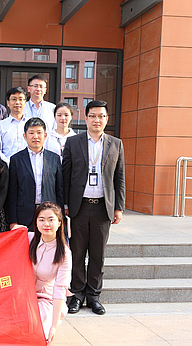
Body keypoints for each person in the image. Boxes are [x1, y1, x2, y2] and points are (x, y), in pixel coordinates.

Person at [62, 100, 125, 316]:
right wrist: (65, 204)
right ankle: (77, 295)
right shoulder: (73, 142)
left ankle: (94, 297)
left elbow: (119, 178)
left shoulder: (116, 144)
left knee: (98, 255)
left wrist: (119, 207)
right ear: (86, 118)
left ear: (106, 119)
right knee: (78, 253)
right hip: (79, 207)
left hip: (102, 208)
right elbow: (66, 175)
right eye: (92, 116)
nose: (97, 120)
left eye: (101, 116)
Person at [22, 202, 72, 346]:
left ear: (59, 223)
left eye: (51, 219)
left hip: (46, 299)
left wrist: (54, 326)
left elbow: (60, 290)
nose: (46, 224)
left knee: (34, 326)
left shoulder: (64, 254)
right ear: (36, 222)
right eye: (41, 219)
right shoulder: (28, 238)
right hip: (23, 294)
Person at [7, 117, 63, 231]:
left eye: (39, 133)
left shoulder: (54, 158)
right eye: (31, 133)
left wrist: (60, 216)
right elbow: (12, 192)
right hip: (24, 215)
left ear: (45, 136)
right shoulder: (16, 159)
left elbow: (59, 190)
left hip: (49, 214)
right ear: (25, 136)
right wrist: (13, 221)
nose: (35, 136)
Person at [0, 87, 29, 161]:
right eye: (14, 99)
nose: (17, 102)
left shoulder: (31, 124)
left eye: (20, 99)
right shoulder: (0, 126)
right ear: (8, 103)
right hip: (6, 165)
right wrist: (9, 163)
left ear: (25, 103)